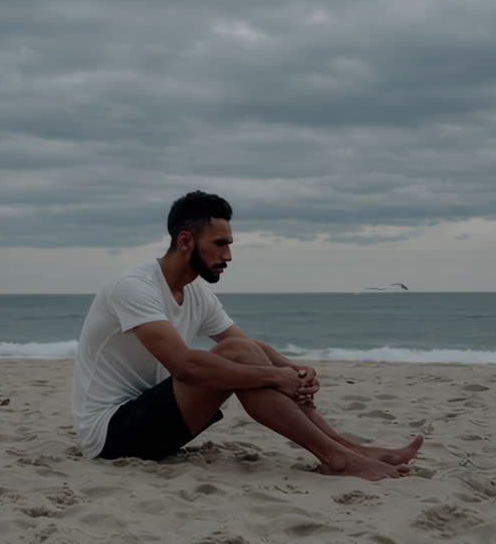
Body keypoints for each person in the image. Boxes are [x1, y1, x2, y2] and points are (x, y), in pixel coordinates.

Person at [70, 190, 422, 480]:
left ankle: (350, 452)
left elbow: (250, 347)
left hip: (155, 425)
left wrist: (294, 371)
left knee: (246, 351)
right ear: (185, 241)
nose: (229, 256)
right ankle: (339, 458)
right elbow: (185, 367)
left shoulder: (195, 292)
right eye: (220, 244)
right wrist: (276, 376)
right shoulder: (134, 287)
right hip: (109, 435)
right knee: (240, 355)